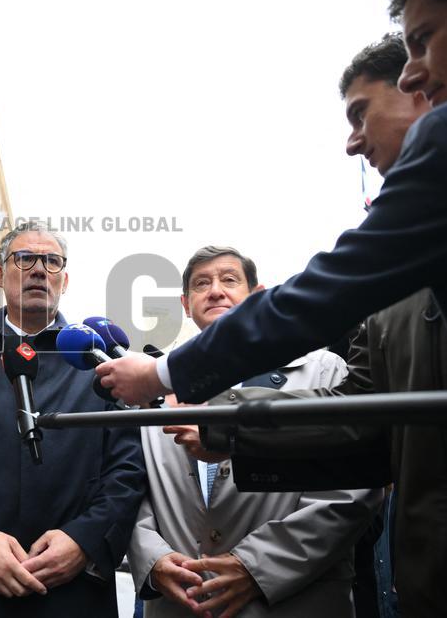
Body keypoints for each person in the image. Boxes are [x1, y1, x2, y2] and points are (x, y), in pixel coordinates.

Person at [96, 0, 447, 614]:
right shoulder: (397, 297)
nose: (415, 71)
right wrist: (232, 433)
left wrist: (165, 374)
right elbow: (369, 429)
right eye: (201, 283)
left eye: (424, 41)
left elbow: (319, 298)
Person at [0, 221, 146, 618]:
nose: (40, 269)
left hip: (76, 593)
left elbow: (128, 466)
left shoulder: (102, 360)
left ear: (65, 280)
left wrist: (83, 541)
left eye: (52, 261)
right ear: (0, 274)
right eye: (25, 258)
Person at [129, 246, 380, 618]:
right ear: (185, 303)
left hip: (291, 604)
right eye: (201, 283)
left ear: (258, 296)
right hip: (181, 605)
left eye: (229, 280)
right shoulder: (153, 390)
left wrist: (256, 566)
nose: (215, 290)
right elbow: (133, 487)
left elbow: (350, 490)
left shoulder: (324, 371)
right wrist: (153, 558)